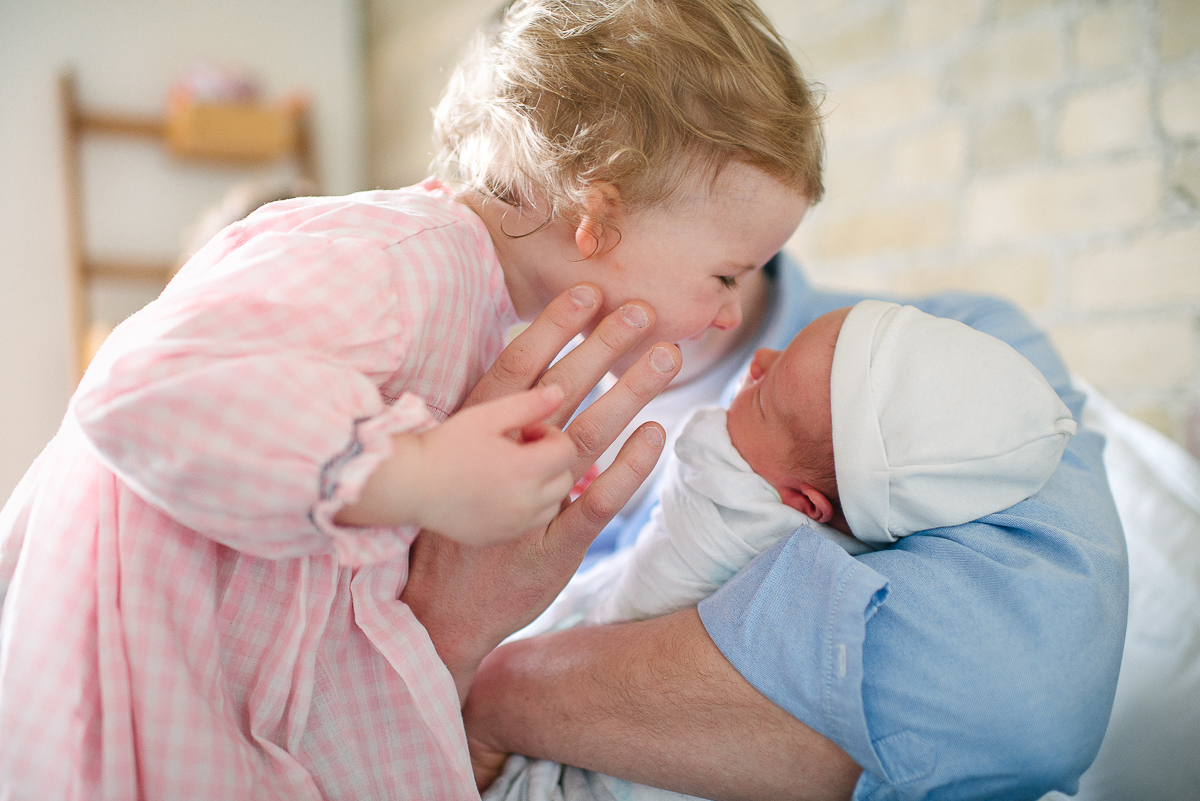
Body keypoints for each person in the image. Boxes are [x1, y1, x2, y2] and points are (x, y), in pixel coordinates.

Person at [0, 0, 823, 797]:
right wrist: (416, 472)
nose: (726, 312)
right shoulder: (395, 260)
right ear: (597, 218)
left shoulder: (468, 303)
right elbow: (141, 383)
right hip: (125, 714)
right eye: (727, 274)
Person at [444, 249, 1128, 800]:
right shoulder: (504, 382)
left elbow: (1022, 705)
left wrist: (502, 692)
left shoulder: (958, 364)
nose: (755, 368)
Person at [513, 299, 1077, 641]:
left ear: (805, 505)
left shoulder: (737, 514)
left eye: (762, 397)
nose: (758, 360)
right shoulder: (832, 502)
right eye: (784, 348)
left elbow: (618, 621)